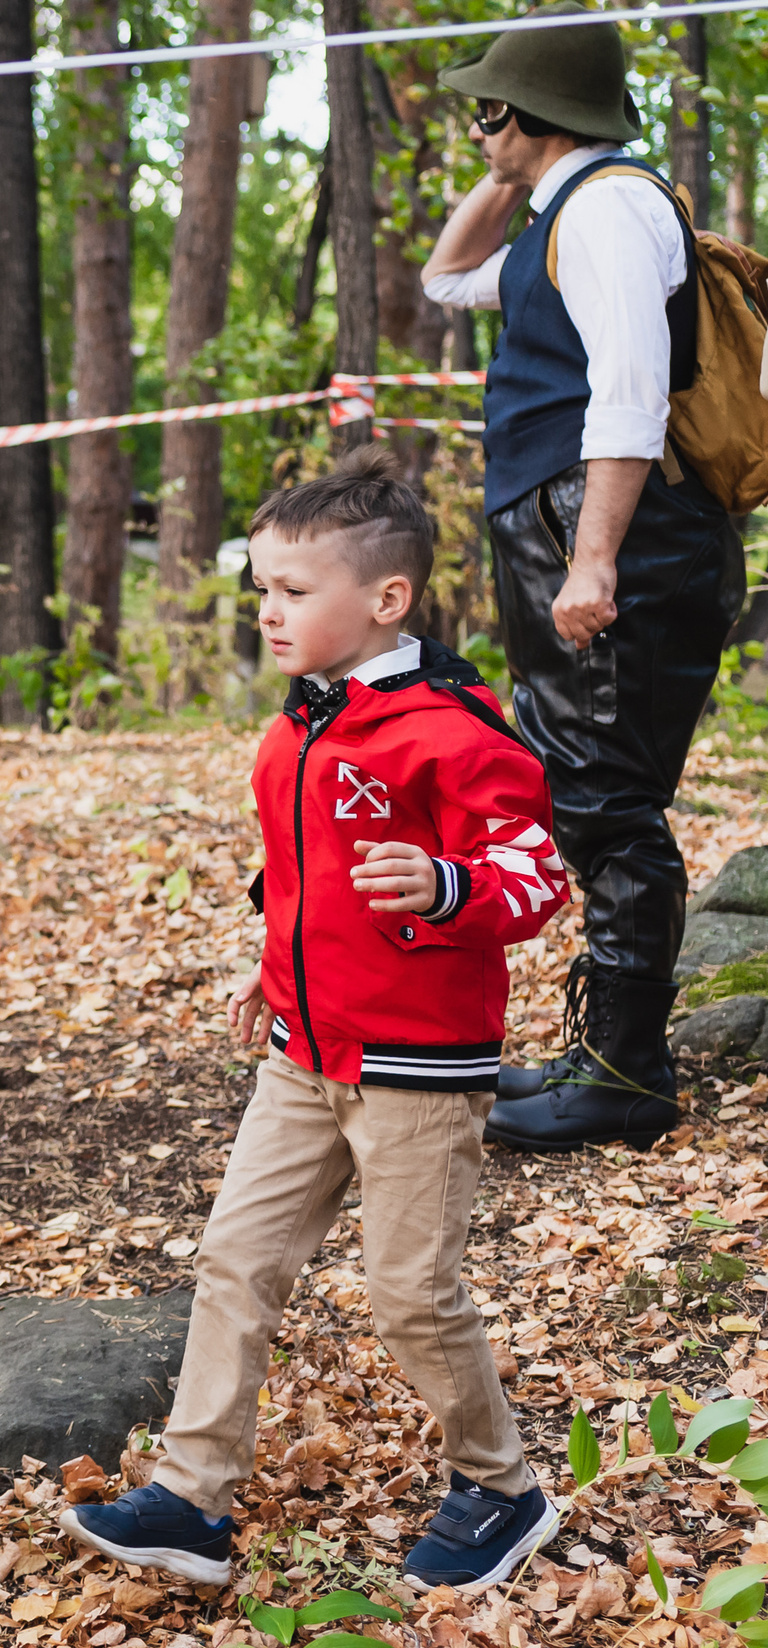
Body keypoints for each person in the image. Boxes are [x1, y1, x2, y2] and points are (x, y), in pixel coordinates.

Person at [60, 449, 572, 1591]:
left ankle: (500, 1484)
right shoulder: (296, 727)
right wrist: (269, 968)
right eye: (260, 589)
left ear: (385, 599)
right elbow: (294, 879)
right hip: (299, 1056)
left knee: (409, 1294)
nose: (267, 612)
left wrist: (447, 885)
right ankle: (191, 1498)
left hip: (416, 1069)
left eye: (293, 591)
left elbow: (536, 877)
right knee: (234, 1260)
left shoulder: (454, 731)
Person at [422, 0, 747, 1153]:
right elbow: (444, 276)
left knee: (604, 799)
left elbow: (624, 394)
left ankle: (626, 1068)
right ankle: (607, 1046)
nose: (473, 128)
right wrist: (517, 170)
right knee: (585, 785)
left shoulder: (607, 211)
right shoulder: (564, 206)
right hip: (569, 526)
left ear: (525, 107)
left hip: (611, 532)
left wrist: (592, 559)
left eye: (486, 111)